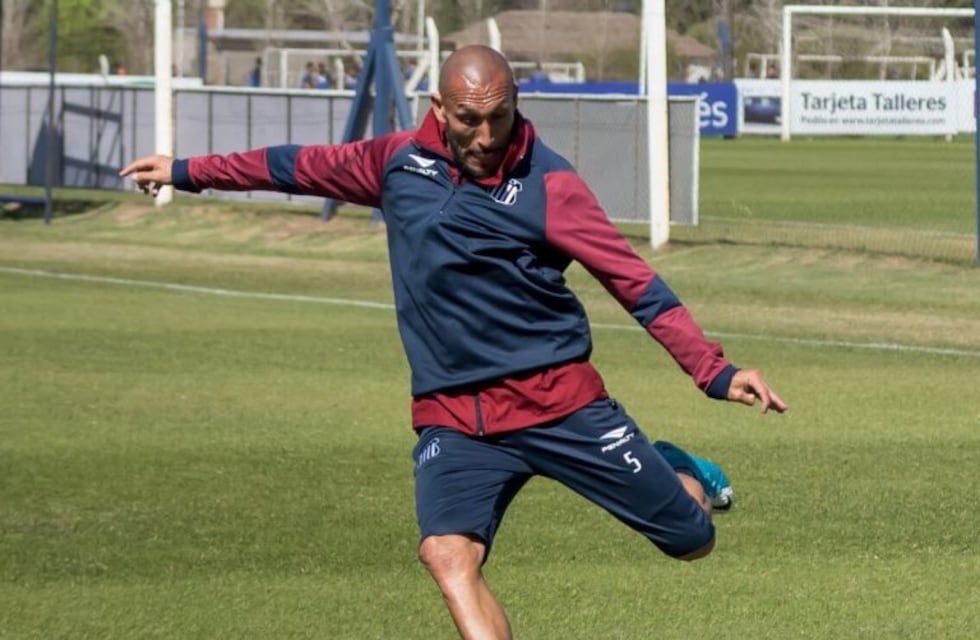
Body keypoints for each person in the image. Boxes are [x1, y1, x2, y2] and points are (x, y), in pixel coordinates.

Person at [120, 45, 786, 640]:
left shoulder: (550, 185)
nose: (487, 134)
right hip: (456, 415)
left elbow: (634, 281)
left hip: (559, 402)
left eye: (500, 117)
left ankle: (679, 471)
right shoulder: (396, 163)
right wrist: (185, 169)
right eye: (470, 119)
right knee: (446, 554)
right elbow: (294, 166)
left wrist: (715, 373)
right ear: (438, 106)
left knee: (693, 540)